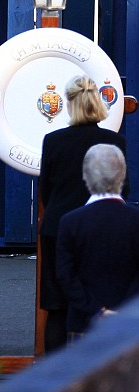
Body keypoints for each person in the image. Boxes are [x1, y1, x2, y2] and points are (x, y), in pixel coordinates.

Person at [38, 74, 127, 352]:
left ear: (70, 104)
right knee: (104, 303)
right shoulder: (114, 142)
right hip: (102, 231)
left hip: (58, 230)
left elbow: (46, 192)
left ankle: (55, 379)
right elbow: (123, 191)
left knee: (57, 308)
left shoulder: (53, 141)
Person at [56, 144, 139, 342]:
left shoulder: (71, 222)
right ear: (123, 175)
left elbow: (65, 276)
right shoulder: (136, 220)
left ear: (86, 176)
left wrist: (96, 312)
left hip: (84, 324)